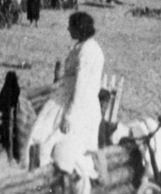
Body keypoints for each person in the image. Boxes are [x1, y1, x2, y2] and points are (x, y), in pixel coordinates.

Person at [26, 12, 104, 191]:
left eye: (71, 26)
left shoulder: (88, 51)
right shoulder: (82, 46)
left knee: (50, 143)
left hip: (79, 106)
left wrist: (70, 115)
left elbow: (82, 87)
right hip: (70, 99)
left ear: (80, 28)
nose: (68, 29)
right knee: (41, 136)